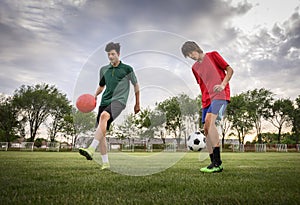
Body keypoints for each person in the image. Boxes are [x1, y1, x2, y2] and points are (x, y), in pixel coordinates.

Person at [79, 42, 140, 170]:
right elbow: (101, 86)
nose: (111, 57)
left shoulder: (127, 69)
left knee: (104, 116)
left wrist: (137, 103)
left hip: (119, 100)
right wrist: (94, 96)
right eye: (108, 55)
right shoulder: (103, 70)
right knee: (101, 133)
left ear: (118, 54)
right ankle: (105, 163)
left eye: (113, 54)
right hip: (104, 102)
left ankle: (91, 148)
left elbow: (136, 85)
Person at [181, 41, 233, 173]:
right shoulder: (194, 68)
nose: (191, 56)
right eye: (188, 55)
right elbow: (202, 85)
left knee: (210, 124)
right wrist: (203, 100)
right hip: (206, 100)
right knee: (206, 129)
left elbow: (230, 70)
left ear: (196, 49)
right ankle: (213, 163)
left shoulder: (213, 55)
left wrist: (222, 84)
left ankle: (218, 164)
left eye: (191, 52)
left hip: (220, 94)